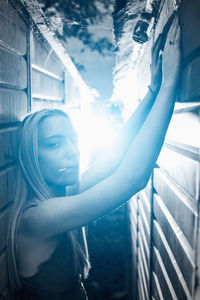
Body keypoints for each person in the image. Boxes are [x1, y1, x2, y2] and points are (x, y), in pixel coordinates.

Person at [7, 15, 181, 299]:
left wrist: (152, 91)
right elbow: (131, 179)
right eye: (54, 144)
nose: (72, 152)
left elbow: (113, 159)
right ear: (30, 156)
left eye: (73, 140)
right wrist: (169, 85)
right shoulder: (37, 218)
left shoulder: (57, 199)